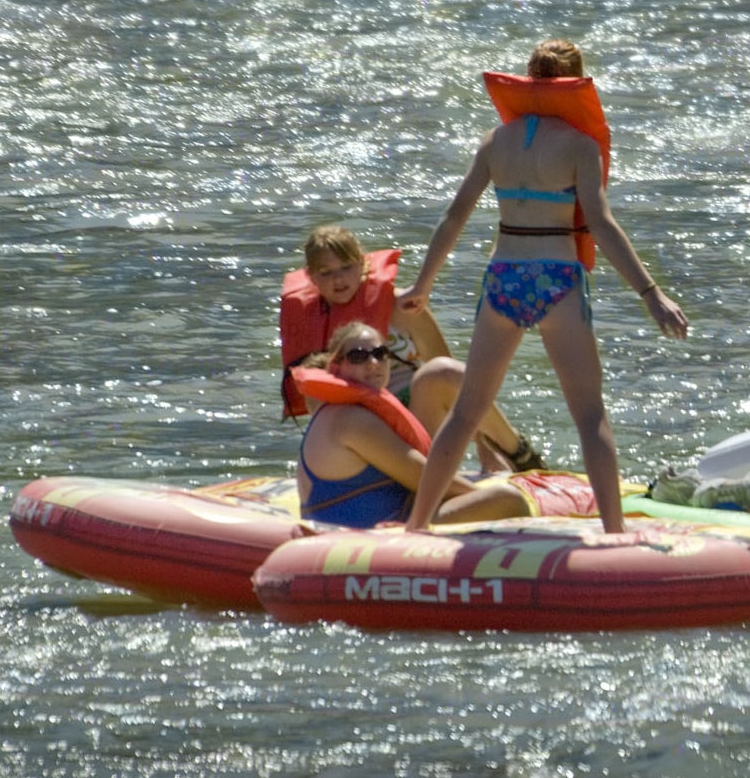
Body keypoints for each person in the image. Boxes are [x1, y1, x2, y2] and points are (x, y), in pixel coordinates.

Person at [398, 39, 690, 534]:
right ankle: (615, 533)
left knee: (468, 410)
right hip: (557, 278)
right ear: (575, 83)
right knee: (590, 415)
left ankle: (417, 526)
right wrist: (649, 293)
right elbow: (600, 223)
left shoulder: (497, 141)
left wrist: (422, 285)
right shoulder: (580, 146)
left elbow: (454, 217)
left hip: (504, 279)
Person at [278, 224, 539, 474]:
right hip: (356, 429)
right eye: (326, 272)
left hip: (414, 416)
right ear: (311, 276)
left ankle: (516, 451)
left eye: (346, 267)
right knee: (315, 387)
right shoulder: (306, 320)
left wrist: (484, 445)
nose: (338, 279)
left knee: (440, 373)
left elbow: (456, 385)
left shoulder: (403, 307)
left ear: (362, 264)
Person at [294, 322, 540, 527]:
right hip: (374, 531)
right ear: (335, 367)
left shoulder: (349, 410)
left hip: (394, 515)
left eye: (380, 354)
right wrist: (485, 497)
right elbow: (425, 479)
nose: (373, 363)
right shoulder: (351, 420)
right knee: (508, 500)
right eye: (358, 356)